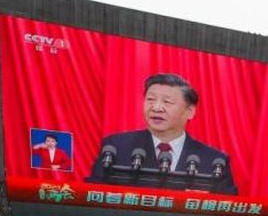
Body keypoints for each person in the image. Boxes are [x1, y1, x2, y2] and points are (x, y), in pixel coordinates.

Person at [86, 73, 237, 194]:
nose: (156, 107)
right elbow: (90, 196)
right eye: (150, 100)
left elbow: (227, 211)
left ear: (190, 111)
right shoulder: (116, 148)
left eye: (167, 102)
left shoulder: (214, 160)